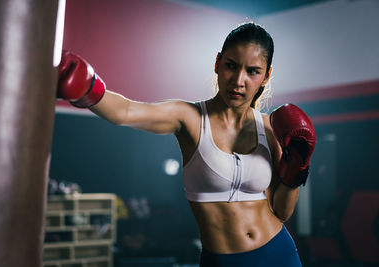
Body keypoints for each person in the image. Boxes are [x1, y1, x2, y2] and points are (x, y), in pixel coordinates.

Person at [57, 22, 316, 266]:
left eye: (252, 71)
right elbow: (125, 111)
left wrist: (297, 165)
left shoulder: (271, 128)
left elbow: (282, 211)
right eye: (231, 65)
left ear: (266, 76)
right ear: (217, 63)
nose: (238, 80)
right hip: (222, 261)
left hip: (278, 254)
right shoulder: (190, 118)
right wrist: (88, 87)